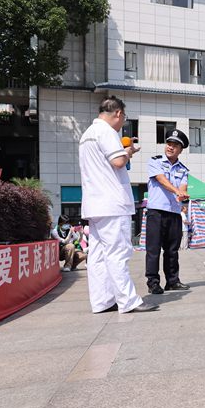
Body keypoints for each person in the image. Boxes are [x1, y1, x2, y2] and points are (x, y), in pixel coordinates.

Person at [78, 96, 158, 313]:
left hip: (94, 204)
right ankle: (128, 301)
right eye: (124, 118)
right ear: (118, 114)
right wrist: (128, 151)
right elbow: (118, 161)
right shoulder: (107, 132)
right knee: (117, 253)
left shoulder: (87, 135)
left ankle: (102, 301)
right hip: (112, 203)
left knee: (97, 255)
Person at [145, 128, 191, 295]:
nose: (170, 147)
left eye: (175, 145)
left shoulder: (183, 169)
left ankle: (172, 281)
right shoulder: (155, 161)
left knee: (172, 250)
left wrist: (183, 193)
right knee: (153, 249)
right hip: (156, 212)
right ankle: (153, 282)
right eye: (169, 144)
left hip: (174, 213)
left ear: (181, 149)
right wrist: (177, 191)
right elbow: (161, 179)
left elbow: (183, 187)